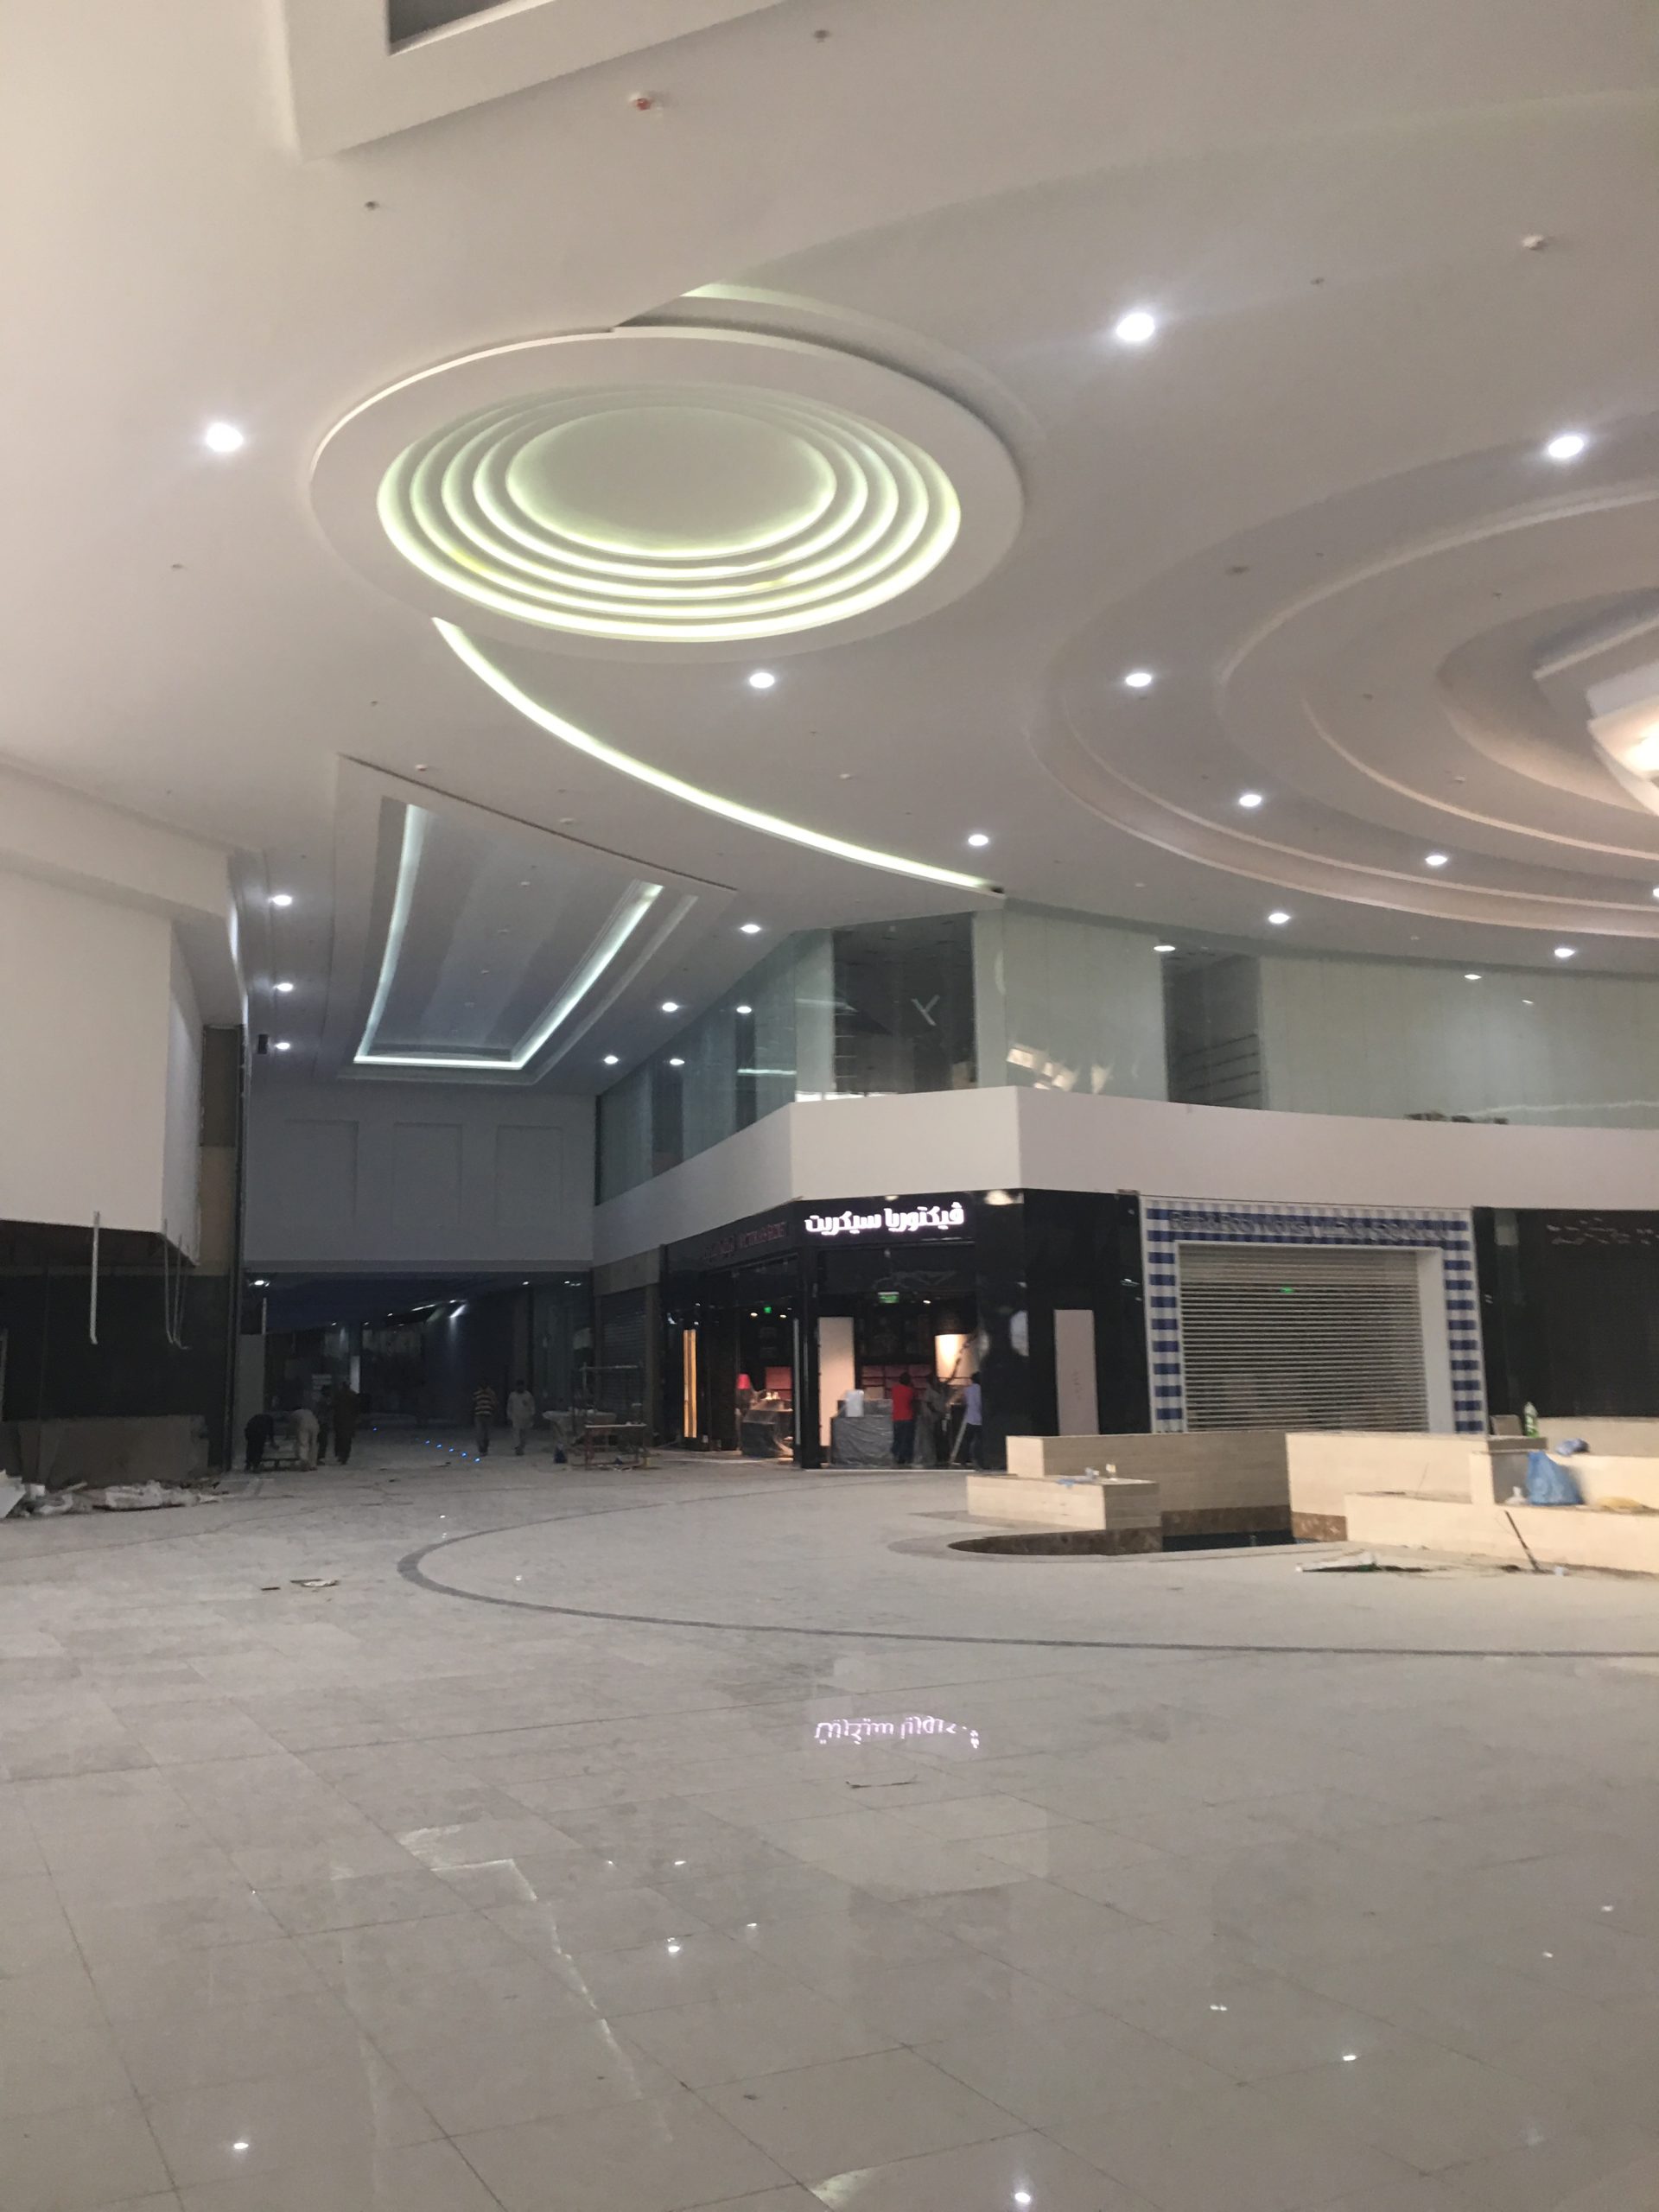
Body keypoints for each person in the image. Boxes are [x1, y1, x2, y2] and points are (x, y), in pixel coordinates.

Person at [920, 1373, 951, 1465]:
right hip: (935, 1417)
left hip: (943, 1415)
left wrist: (956, 1367)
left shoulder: (941, 1388)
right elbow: (928, 1403)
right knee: (938, 1437)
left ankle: (945, 1455)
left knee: (944, 1436)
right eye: (936, 1379)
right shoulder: (929, 1391)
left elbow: (949, 1379)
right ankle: (939, 1457)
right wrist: (936, 1412)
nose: (938, 1380)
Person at [955, 1370, 984, 1467]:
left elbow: (963, 1402)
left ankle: (963, 1460)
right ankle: (980, 1460)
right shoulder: (983, 1391)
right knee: (981, 1441)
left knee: (966, 1441)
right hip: (981, 1420)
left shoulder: (967, 1390)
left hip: (970, 1419)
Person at [889, 1370, 917, 1466]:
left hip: (896, 1418)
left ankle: (895, 1455)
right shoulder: (910, 1391)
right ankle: (905, 1458)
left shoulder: (894, 1389)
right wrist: (912, 1387)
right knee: (907, 1439)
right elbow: (914, 1402)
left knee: (897, 1438)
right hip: (907, 1417)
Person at [506, 1379, 536, 1457]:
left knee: (524, 1434)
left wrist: (532, 1416)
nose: (520, 1388)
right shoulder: (512, 1395)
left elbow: (532, 1406)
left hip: (526, 1417)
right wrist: (509, 1416)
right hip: (515, 1417)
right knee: (516, 1433)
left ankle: (522, 1447)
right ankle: (517, 1447)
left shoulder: (528, 1395)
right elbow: (509, 1407)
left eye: (521, 1386)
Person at [332, 1382, 359, 1465]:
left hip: (339, 1419)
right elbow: (357, 1408)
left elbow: (334, 1405)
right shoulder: (353, 1395)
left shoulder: (338, 1394)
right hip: (350, 1420)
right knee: (347, 1440)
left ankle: (340, 1454)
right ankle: (345, 1456)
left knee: (339, 1438)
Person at [473, 1379, 499, 1456]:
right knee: (479, 1433)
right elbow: (474, 1403)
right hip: (479, 1415)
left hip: (488, 1415)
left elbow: (495, 1403)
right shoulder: (476, 1394)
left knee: (487, 1434)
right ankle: (481, 1448)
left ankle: (485, 1448)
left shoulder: (491, 1394)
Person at [292, 1402, 319, 1471]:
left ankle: (304, 1461)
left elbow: (292, 1426)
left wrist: (290, 1436)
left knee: (303, 1443)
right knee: (313, 1444)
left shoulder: (294, 1413)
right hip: (315, 1425)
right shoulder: (308, 1411)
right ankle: (313, 1464)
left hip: (304, 1425)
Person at [243, 1407, 271, 1471]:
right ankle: (255, 1465)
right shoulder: (268, 1420)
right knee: (258, 1450)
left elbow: (247, 1430)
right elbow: (270, 1432)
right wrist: (271, 1441)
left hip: (251, 1434)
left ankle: (248, 1464)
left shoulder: (253, 1420)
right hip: (259, 1435)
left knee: (250, 1449)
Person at [315, 1385, 334, 1465]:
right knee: (322, 1441)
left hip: (323, 1422)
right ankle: (318, 1457)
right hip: (322, 1422)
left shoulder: (324, 1399)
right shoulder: (323, 1400)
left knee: (322, 1442)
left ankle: (318, 1457)